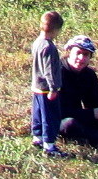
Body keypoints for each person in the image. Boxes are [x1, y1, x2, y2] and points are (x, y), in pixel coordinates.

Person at [29, 11, 64, 156]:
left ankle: (37, 137)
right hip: (46, 89)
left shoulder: (37, 42)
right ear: (56, 30)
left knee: (37, 114)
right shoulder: (49, 48)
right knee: (50, 117)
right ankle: (49, 146)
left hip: (36, 86)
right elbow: (49, 70)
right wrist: (53, 88)